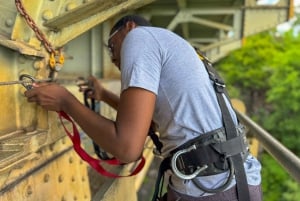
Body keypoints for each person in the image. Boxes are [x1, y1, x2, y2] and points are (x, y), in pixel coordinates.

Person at [25, 15, 262, 201]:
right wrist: (105, 95)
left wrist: (66, 101)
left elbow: (127, 148)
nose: (114, 61)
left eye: (111, 47)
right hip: (232, 181)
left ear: (128, 28)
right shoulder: (175, 48)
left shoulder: (139, 38)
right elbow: (147, 123)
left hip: (213, 189)